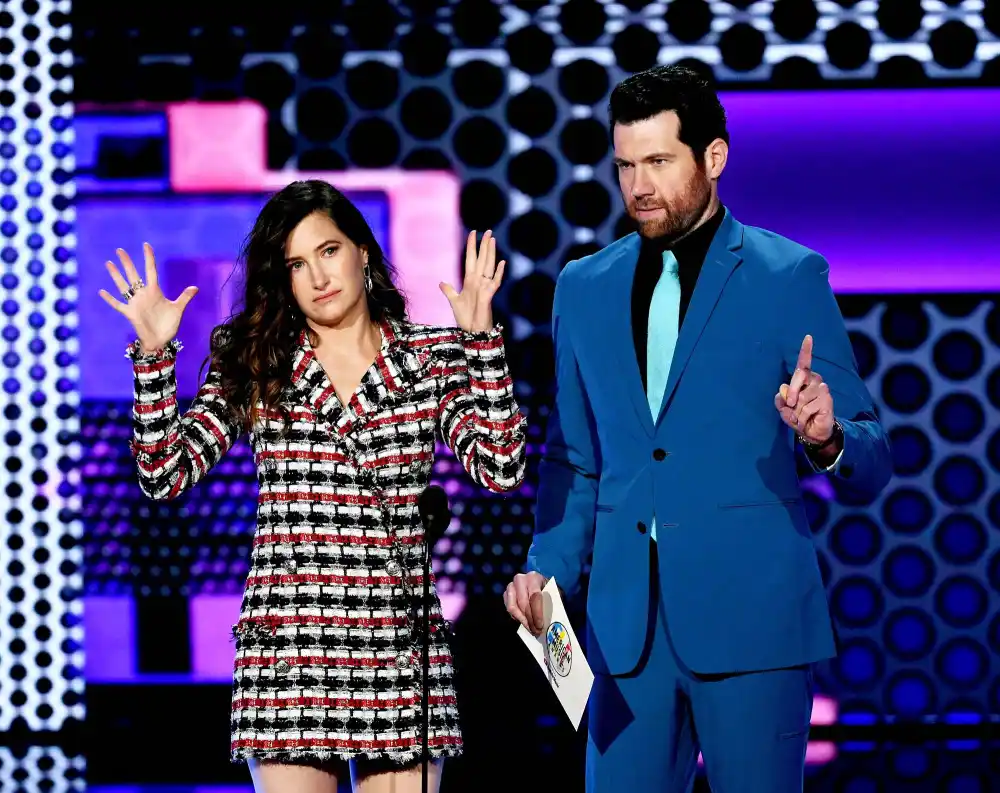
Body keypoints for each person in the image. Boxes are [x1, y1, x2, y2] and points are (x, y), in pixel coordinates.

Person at [503, 65, 892, 793]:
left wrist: (827, 436)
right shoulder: (583, 287)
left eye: (658, 161)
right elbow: (574, 459)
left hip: (754, 627)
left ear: (714, 157)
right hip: (624, 636)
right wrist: (546, 570)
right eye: (625, 165)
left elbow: (872, 456)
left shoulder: (786, 275)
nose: (639, 186)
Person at [99, 180, 527, 793]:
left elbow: (501, 467)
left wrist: (481, 341)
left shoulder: (427, 358)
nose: (319, 277)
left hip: (396, 645)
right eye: (296, 264)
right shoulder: (257, 361)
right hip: (291, 645)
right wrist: (153, 357)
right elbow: (165, 473)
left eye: (328, 251)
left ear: (362, 251)